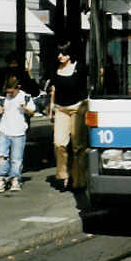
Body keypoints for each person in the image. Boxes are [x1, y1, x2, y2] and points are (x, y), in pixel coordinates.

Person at [48, 41, 88, 191]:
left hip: (78, 108)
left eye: (63, 53)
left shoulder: (80, 68)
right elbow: (54, 90)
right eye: (59, 53)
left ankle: (79, 179)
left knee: (78, 146)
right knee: (59, 143)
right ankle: (63, 175)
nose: (60, 56)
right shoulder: (55, 69)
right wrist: (51, 108)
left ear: (70, 55)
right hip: (61, 108)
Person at [0, 75, 36, 193]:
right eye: (8, 92)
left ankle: (15, 178)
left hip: (19, 131)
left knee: (16, 158)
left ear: (18, 88)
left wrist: (25, 108)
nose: (10, 94)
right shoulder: (2, 97)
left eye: (12, 92)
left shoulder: (26, 97)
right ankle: (2, 177)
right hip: (4, 130)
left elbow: (32, 111)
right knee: (1, 155)